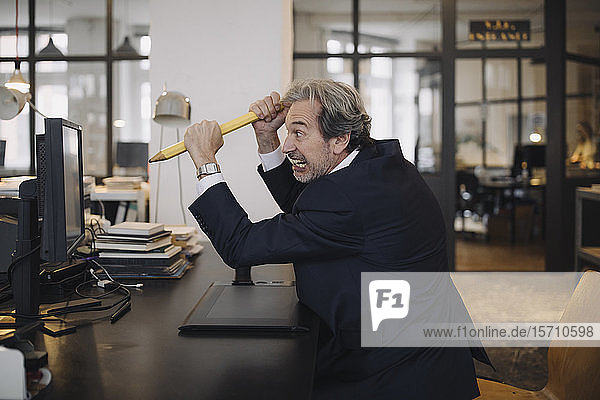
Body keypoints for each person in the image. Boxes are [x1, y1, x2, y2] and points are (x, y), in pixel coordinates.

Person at [184, 79, 486, 399]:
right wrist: (266, 136)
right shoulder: (376, 164)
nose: (287, 146)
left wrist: (206, 162)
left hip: (397, 372)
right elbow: (306, 207)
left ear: (340, 138)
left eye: (298, 132)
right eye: (287, 131)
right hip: (419, 350)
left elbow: (240, 246)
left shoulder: (349, 199)